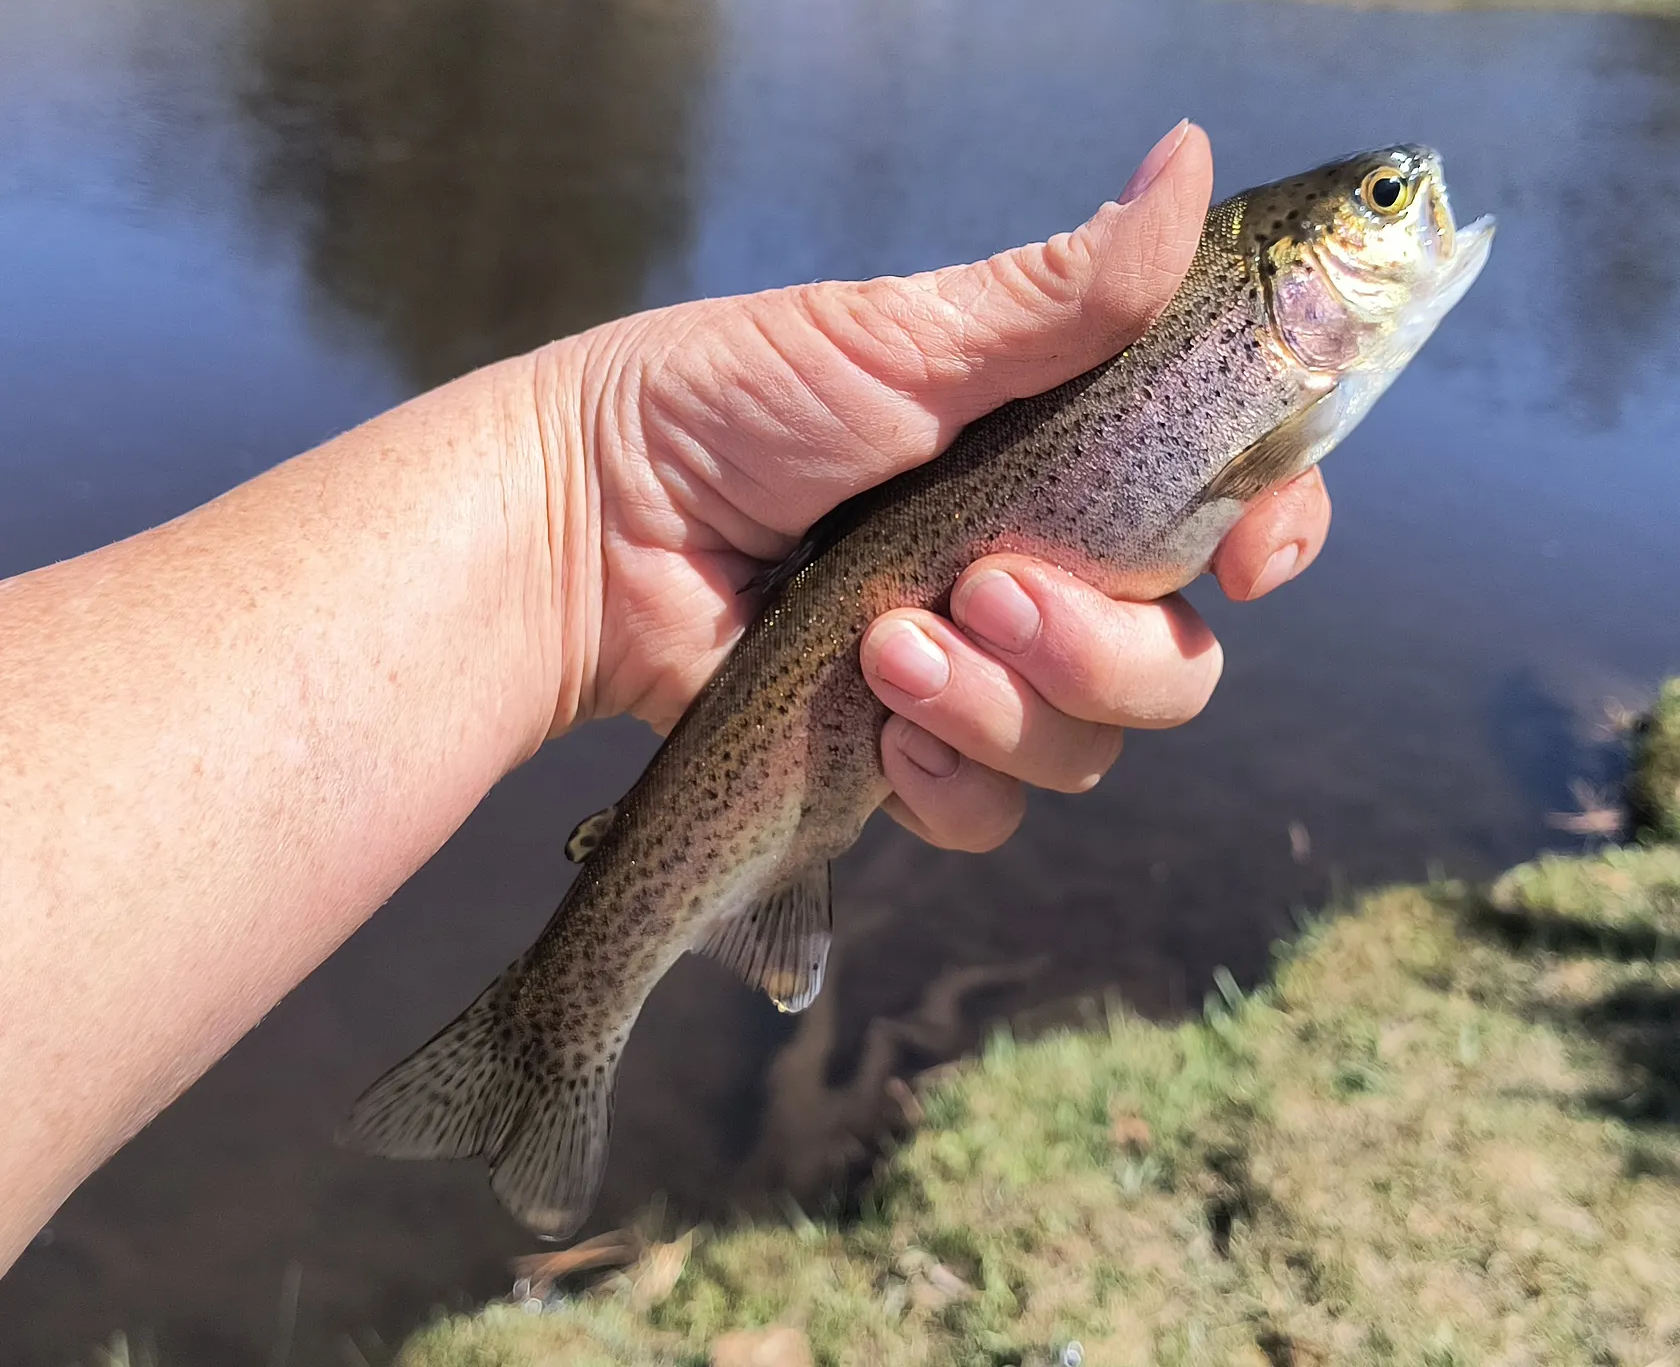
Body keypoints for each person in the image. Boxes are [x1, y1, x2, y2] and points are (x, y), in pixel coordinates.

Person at [0, 122, 1329, 1269]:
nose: (1412, 207)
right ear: (1290, 280)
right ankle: (560, 1013)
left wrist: (584, 495)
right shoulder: (1261, 341)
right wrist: (587, 486)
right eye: (1380, 206)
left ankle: (573, 1005)